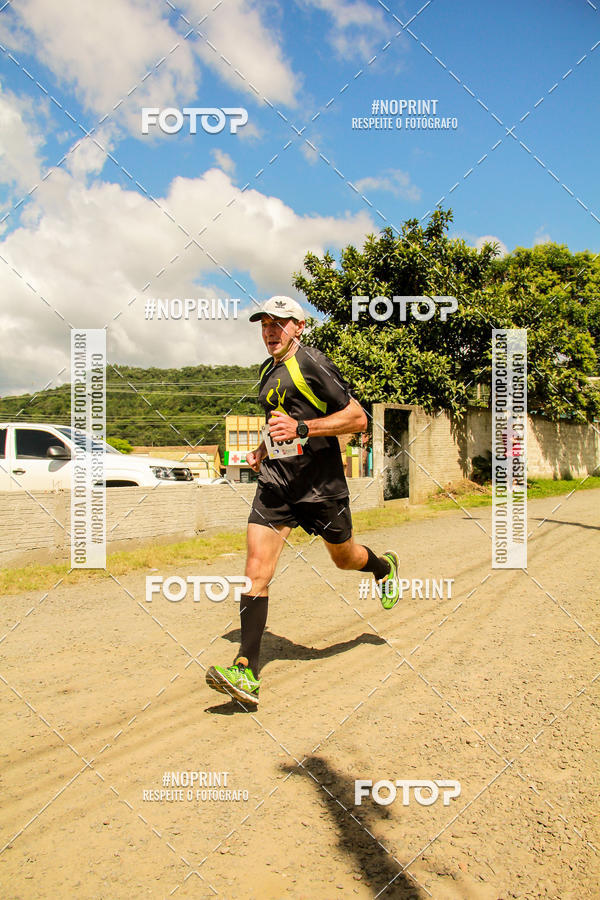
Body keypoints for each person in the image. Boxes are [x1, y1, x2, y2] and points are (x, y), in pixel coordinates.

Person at [206, 296, 400, 706]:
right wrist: (263, 448)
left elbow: (358, 418)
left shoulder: (311, 362)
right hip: (277, 484)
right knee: (255, 572)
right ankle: (245, 670)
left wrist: (303, 428)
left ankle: (382, 567)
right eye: (264, 325)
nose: (270, 331)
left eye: (279, 323)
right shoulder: (268, 370)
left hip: (320, 486)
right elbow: (277, 421)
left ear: (299, 327)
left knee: (344, 558)